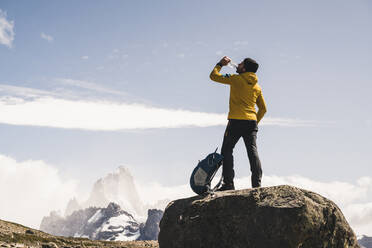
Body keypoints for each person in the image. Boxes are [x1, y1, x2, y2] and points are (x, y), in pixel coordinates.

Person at [209, 56, 267, 191]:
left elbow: (213, 76)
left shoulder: (235, 79)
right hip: (251, 122)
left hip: (235, 121)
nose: (238, 65)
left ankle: (228, 184)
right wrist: (254, 122)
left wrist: (220, 64)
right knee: (252, 152)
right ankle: (257, 185)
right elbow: (263, 109)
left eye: (240, 64)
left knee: (227, 151)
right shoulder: (257, 87)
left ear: (244, 68)